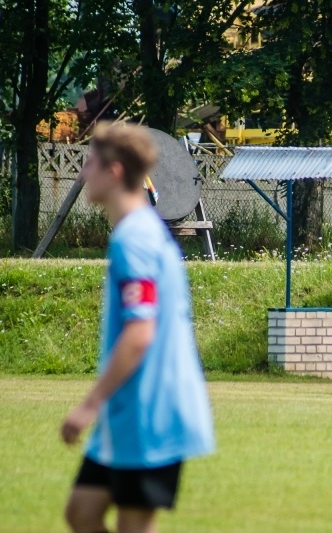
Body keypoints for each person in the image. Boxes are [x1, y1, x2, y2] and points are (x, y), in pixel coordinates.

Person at [61, 122, 215, 533]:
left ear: (113, 173)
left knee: (133, 527)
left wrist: (89, 404)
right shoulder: (139, 231)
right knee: (82, 512)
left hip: (152, 411)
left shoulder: (135, 240)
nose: (82, 172)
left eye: (89, 163)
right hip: (129, 410)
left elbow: (140, 331)